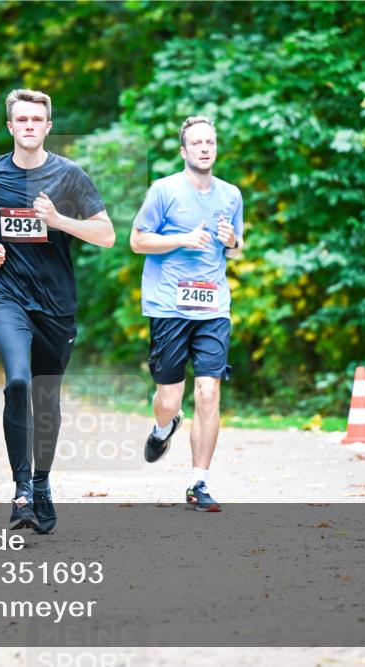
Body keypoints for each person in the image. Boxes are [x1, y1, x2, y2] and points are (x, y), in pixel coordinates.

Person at [0, 88, 114, 533]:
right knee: (18, 382)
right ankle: (21, 490)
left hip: (57, 306)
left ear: (48, 127)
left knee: (46, 397)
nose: (28, 126)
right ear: (10, 126)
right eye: (20, 120)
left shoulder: (69, 176)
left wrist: (59, 219)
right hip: (8, 297)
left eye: (35, 120)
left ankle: (42, 482)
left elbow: (106, 235)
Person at [129, 115, 244, 512]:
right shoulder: (164, 191)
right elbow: (137, 240)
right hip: (168, 306)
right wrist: (182, 239)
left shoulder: (231, 195)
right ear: (184, 151)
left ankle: (199, 483)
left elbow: (234, 248)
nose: (205, 148)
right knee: (170, 398)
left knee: (209, 391)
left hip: (214, 306)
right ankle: (165, 426)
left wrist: (232, 242)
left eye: (210, 141)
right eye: (197, 143)